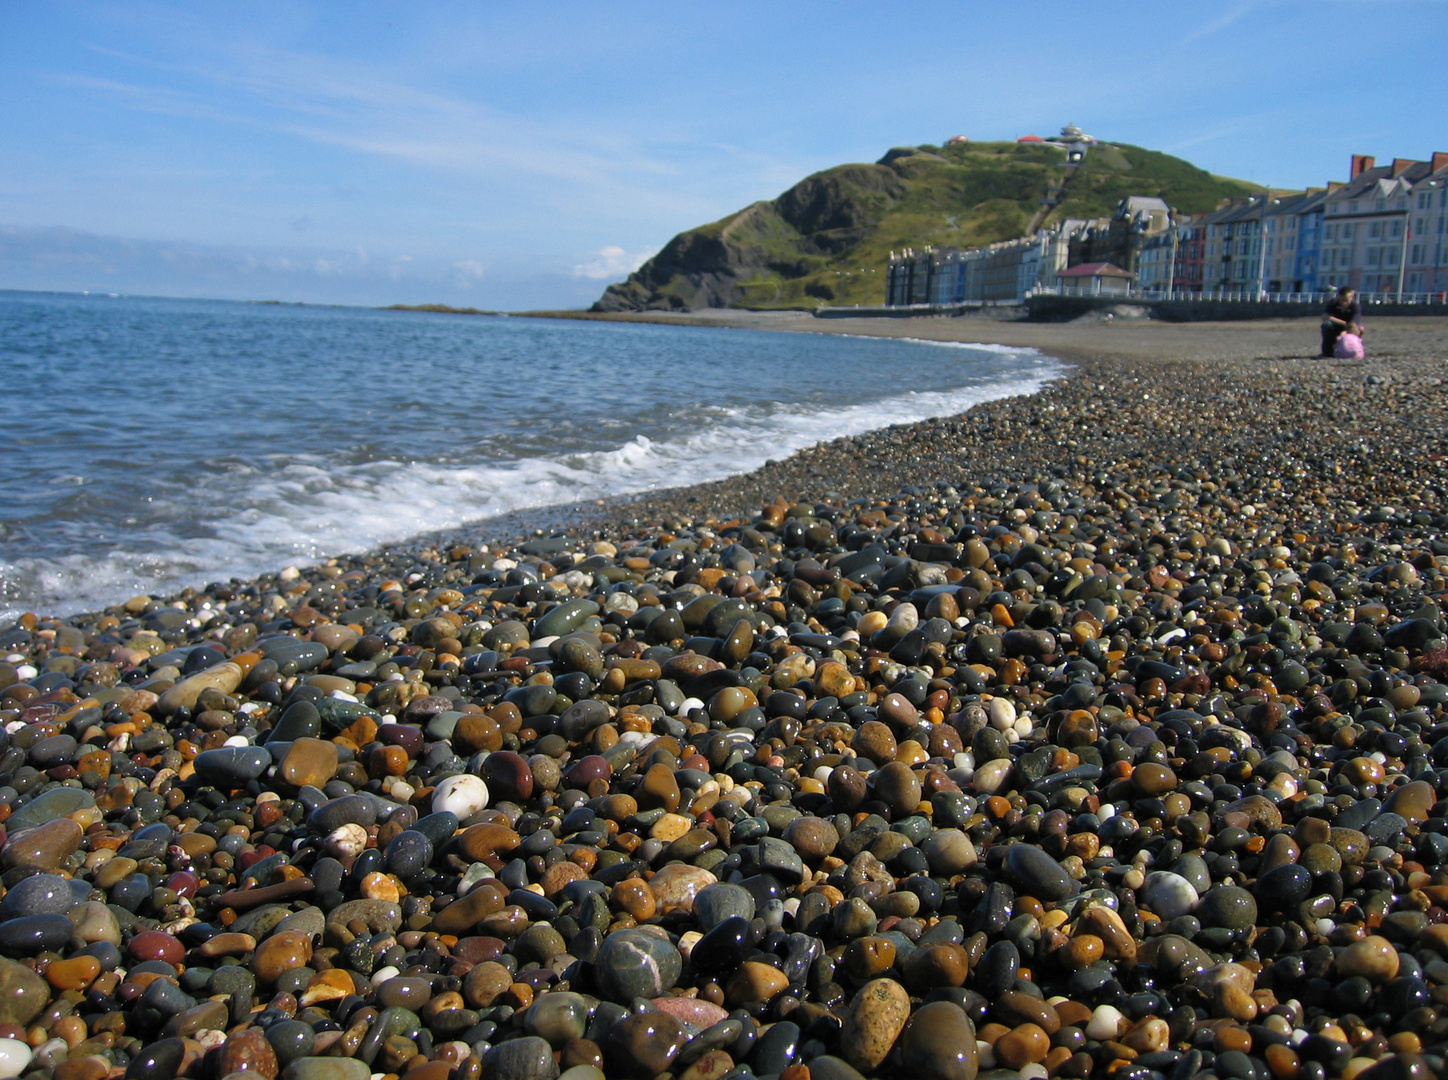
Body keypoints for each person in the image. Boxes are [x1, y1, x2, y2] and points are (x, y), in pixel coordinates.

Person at [1321, 286, 1362, 357]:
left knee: (1359, 329)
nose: (1344, 303)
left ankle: (1354, 351)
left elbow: (1354, 323)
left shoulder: (1355, 306)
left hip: (1349, 328)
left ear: (1351, 297)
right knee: (1326, 325)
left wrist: (1345, 332)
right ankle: (1327, 352)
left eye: (1346, 300)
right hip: (1335, 326)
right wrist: (1342, 322)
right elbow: (1325, 316)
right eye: (1342, 300)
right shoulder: (1333, 303)